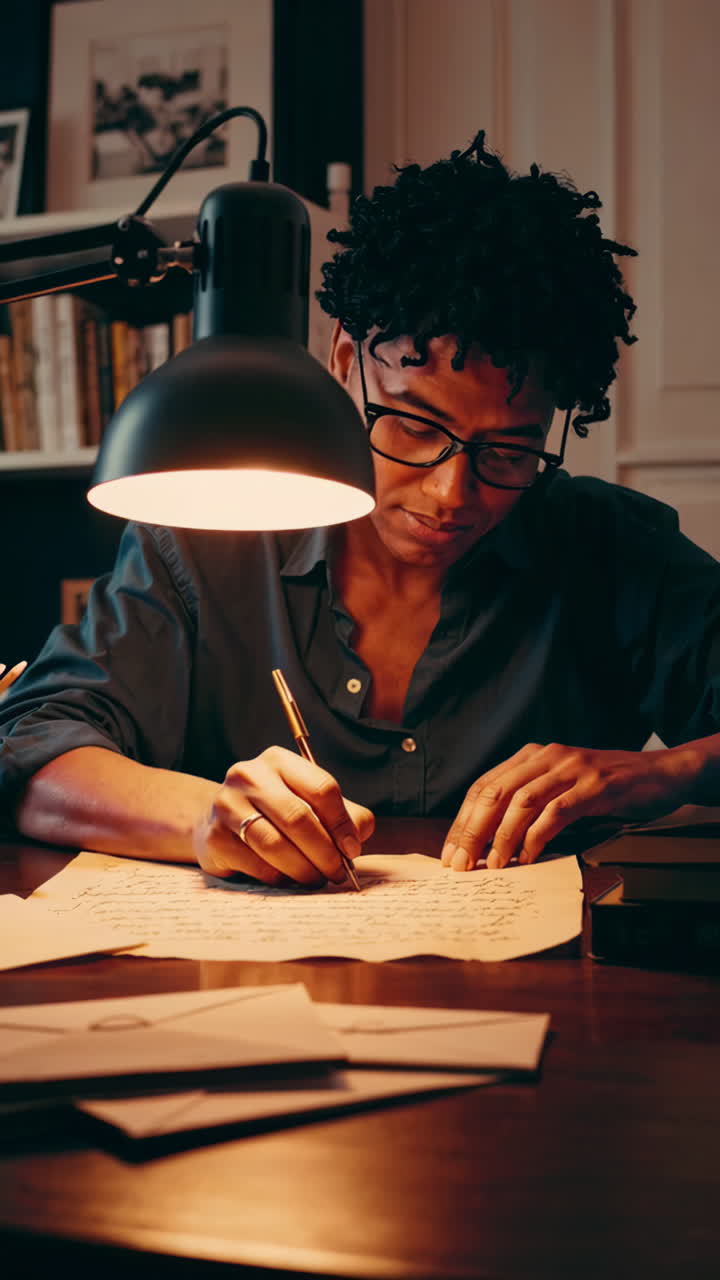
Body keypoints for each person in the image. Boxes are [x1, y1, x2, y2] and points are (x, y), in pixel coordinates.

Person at [1, 131, 719, 886]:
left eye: (508, 451)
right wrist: (206, 818)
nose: (451, 496)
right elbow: (33, 743)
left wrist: (659, 773)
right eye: (414, 426)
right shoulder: (206, 537)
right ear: (346, 359)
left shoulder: (609, 549)